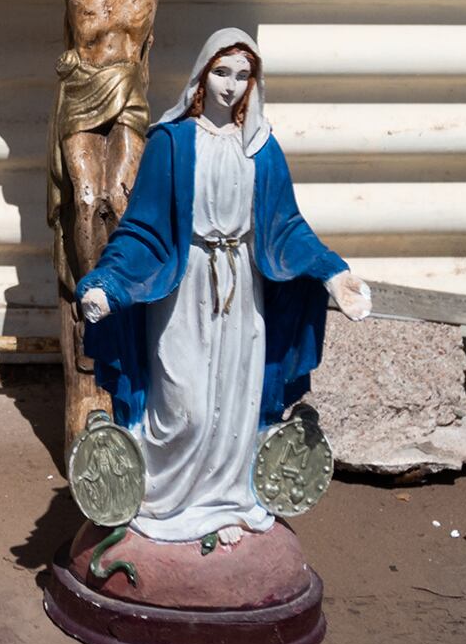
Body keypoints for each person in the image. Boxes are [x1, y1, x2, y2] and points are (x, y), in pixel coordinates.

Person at [76, 31, 370, 548]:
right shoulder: (172, 142)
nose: (231, 86)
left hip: (242, 293)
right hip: (185, 288)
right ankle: (164, 500)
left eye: (242, 75)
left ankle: (226, 501)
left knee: (233, 403)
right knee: (184, 404)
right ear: (201, 74)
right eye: (222, 72)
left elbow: (286, 228)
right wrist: (109, 284)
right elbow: (143, 228)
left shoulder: (262, 149)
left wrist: (334, 273)